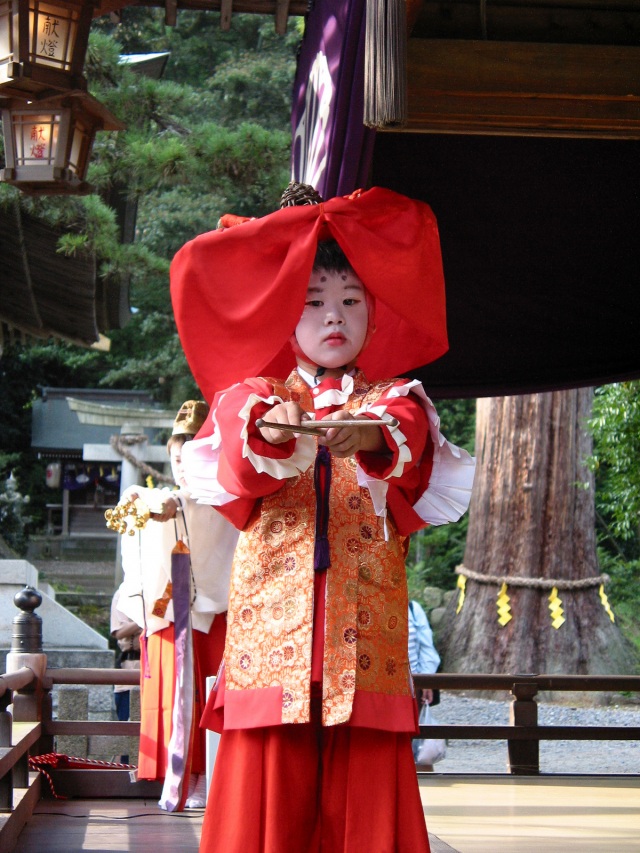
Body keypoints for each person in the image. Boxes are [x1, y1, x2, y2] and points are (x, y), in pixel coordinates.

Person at [171, 184, 476, 852]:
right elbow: (240, 453)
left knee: (365, 798)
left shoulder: (396, 399)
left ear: (373, 312)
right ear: (284, 316)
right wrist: (279, 432)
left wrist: (362, 434)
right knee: (265, 804)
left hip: (362, 635)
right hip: (273, 636)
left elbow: (402, 438)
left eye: (349, 300)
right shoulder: (252, 396)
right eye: (312, 303)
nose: (333, 317)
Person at [115, 400, 239, 811]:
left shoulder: (229, 501)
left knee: (208, 695)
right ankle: (178, 775)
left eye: (191, 455)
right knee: (175, 696)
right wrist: (157, 506)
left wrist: (177, 506)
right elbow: (140, 503)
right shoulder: (161, 497)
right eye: (176, 457)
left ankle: (209, 775)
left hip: (216, 615)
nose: (182, 466)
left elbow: (199, 509)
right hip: (171, 614)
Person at [110, 587, 142, 764]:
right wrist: (148, 619)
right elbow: (119, 631)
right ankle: (121, 776)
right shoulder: (124, 592)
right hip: (131, 668)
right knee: (128, 730)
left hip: (158, 666)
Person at [408, 599, 441, 771]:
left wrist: (427, 679)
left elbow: (426, 647)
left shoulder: (413, 608)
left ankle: (424, 788)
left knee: (419, 745)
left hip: (414, 684)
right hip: (384, 686)